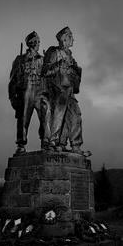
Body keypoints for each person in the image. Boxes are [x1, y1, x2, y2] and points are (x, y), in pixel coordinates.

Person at [42, 26, 89, 155]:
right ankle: (53, 142)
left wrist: (75, 70)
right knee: (58, 117)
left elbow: (75, 74)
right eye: (70, 36)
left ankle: (76, 145)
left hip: (69, 91)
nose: (73, 39)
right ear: (64, 38)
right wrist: (58, 65)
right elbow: (45, 71)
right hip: (58, 90)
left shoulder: (70, 55)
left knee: (75, 116)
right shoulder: (54, 52)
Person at [9, 31, 50, 155]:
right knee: (23, 119)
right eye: (37, 42)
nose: (38, 44)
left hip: (40, 92)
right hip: (26, 92)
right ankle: (21, 144)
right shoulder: (20, 59)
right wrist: (12, 97)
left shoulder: (43, 60)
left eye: (38, 42)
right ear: (31, 43)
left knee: (46, 114)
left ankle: (46, 141)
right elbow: (12, 80)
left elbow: (48, 77)